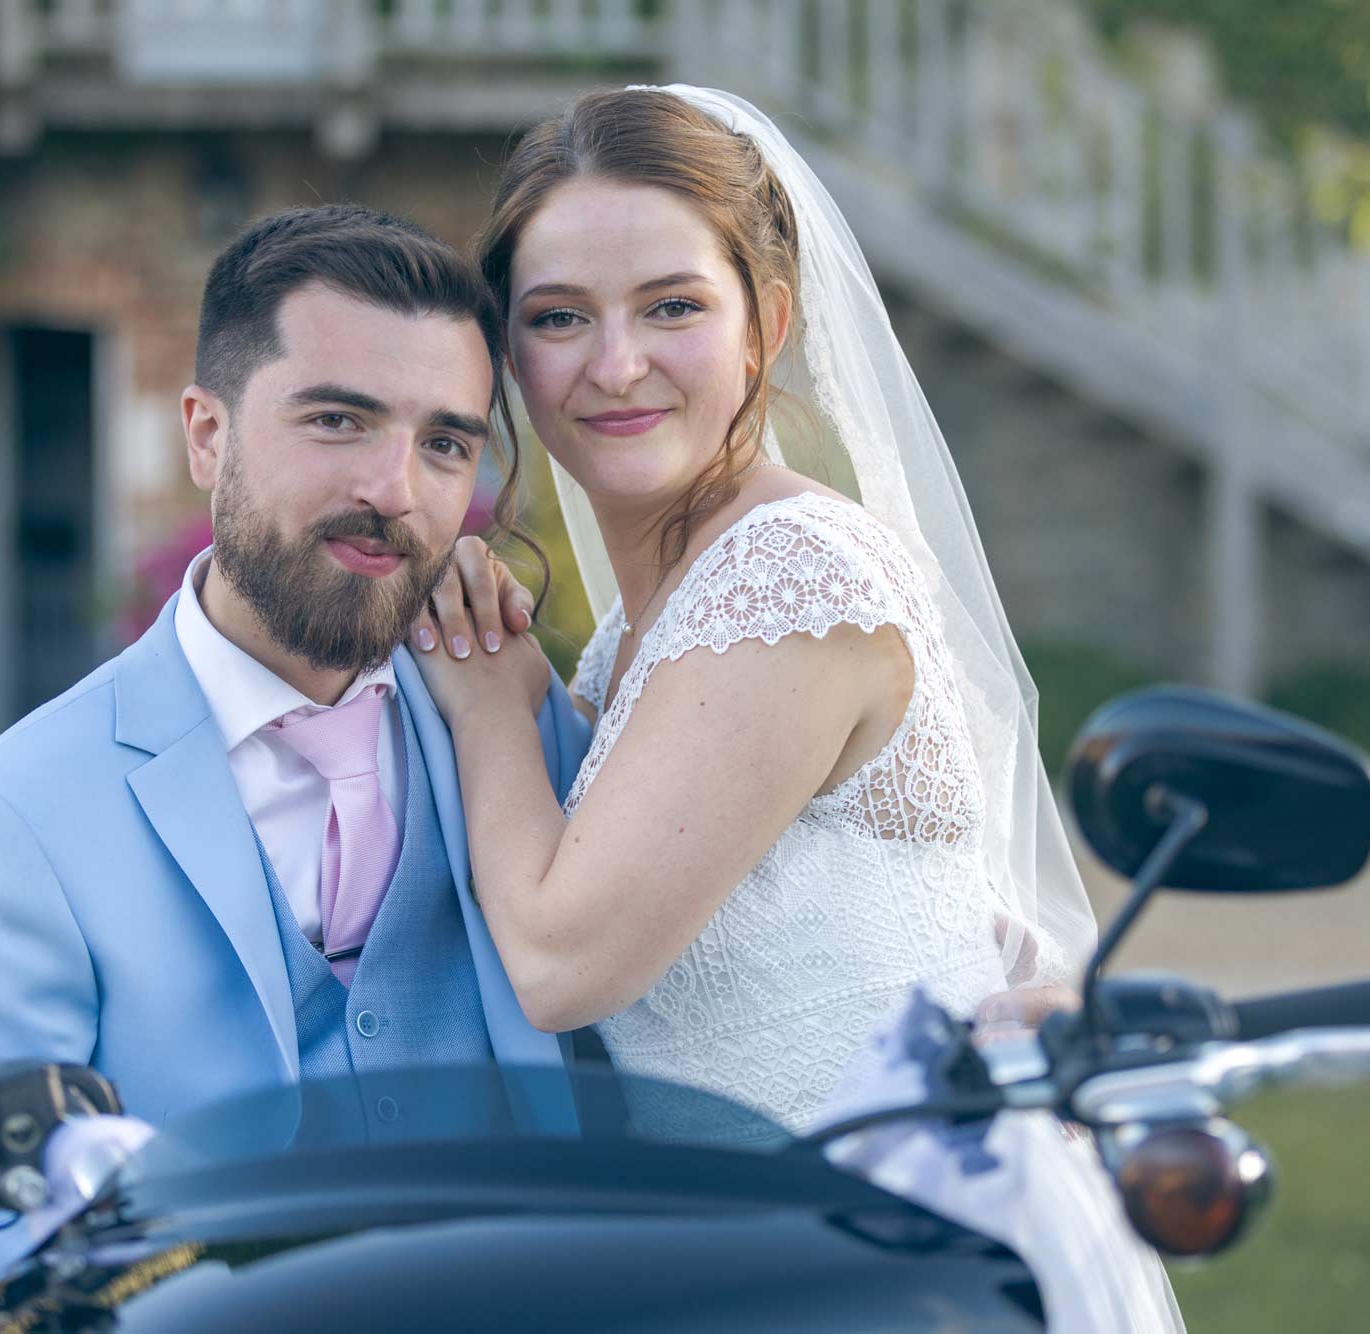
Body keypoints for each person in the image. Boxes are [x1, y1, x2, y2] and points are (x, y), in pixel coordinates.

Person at [0, 203, 586, 1332]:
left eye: (445, 440)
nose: (395, 488)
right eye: (339, 420)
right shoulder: (15, 819)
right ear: (205, 434)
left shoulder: (520, 730)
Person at [408, 85, 1101, 1132]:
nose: (614, 365)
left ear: (764, 325)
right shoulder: (635, 634)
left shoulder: (789, 581)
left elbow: (559, 964)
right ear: (511, 354)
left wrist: (496, 702)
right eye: (558, 317)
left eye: (672, 306)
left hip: (882, 1244)